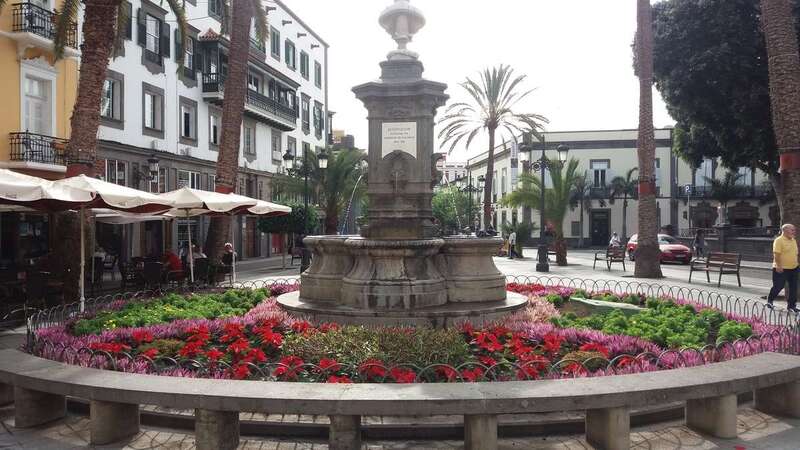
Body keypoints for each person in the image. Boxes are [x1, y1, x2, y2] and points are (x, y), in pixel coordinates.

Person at [767, 224, 799, 312]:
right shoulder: (779, 240)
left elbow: (795, 254)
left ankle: (791, 306)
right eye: (792, 230)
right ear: (785, 231)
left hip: (794, 268)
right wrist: (778, 265)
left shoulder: (793, 240)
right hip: (781, 268)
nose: (794, 231)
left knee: (793, 287)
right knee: (778, 286)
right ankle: (770, 300)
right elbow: (776, 254)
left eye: (794, 230)